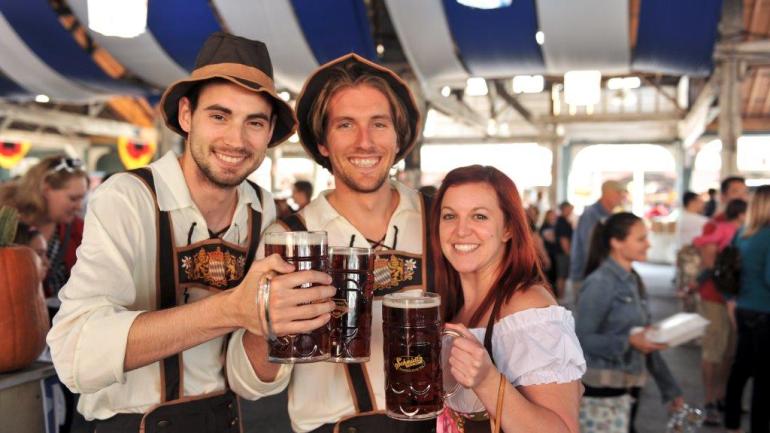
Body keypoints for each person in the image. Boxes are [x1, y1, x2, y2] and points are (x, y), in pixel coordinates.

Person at [46, 32, 336, 433]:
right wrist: (230, 309)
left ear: (269, 133)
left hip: (226, 420)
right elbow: (74, 352)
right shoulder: (128, 198)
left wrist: (275, 326)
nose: (236, 139)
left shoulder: (260, 207)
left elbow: (243, 375)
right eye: (219, 116)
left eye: (254, 122)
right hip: (134, 424)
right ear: (186, 116)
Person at [249, 53, 430, 433]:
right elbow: (252, 378)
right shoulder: (286, 237)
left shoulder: (439, 220)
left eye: (379, 124)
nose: (365, 142)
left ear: (398, 138)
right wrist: (267, 319)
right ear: (324, 143)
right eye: (346, 125)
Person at [432, 165, 585, 433]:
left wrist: (487, 380)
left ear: (508, 230)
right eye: (449, 216)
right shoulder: (455, 307)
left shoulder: (527, 308)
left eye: (479, 216)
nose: (461, 230)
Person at [576, 212, 683, 433]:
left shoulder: (633, 280)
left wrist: (670, 389)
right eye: (641, 239)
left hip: (629, 387)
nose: (648, 244)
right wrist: (629, 341)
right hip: (602, 391)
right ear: (616, 242)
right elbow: (582, 339)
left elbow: (645, 340)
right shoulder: (600, 283)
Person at [692, 176, 748, 422]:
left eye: (744, 191)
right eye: (735, 191)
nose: (741, 195)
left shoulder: (748, 223)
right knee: (713, 350)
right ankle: (710, 400)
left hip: (738, 299)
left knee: (730, 352)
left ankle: (724, 397)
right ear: (723, 196)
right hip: (715, 297)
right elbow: (708, 262)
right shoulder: (715, 225)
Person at [0, 156, 88, 303]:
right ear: (46, 189)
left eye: (82, 199)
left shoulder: (78, 229)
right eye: (73, 199)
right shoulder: (7, 222)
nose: (79, 207)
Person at [724, 184, 770, 433]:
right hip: (765, 311)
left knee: (740, 369)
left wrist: (732, 298)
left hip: (743, 308)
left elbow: (727, 270)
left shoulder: (742, 232)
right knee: (764, 378)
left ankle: (731, 424)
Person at [569, 180, 626, 298]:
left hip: (599, 275)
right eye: (619, 193)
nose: (622, 197)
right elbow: (589, 248)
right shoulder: (592, 214)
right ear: (608, 194)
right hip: (587, 275)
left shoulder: (609, 215)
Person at [554, 201, 574, 300]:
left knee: (563, 275)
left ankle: (561, 296)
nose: (571, 210)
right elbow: (563, 240)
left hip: (562, 253)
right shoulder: (562, 222)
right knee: (561, 275)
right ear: (565, 209)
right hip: (562, 254)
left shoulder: (563, 221)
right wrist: (568, 253)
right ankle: (560, 297)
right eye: (570, 208)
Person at [540, 209, 560, 286]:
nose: (554, 216)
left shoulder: (555, 226)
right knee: (551, 276)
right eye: (552, 214)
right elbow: (552, 239)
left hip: (554, 253)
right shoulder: (545, 227)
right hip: (549, 254)